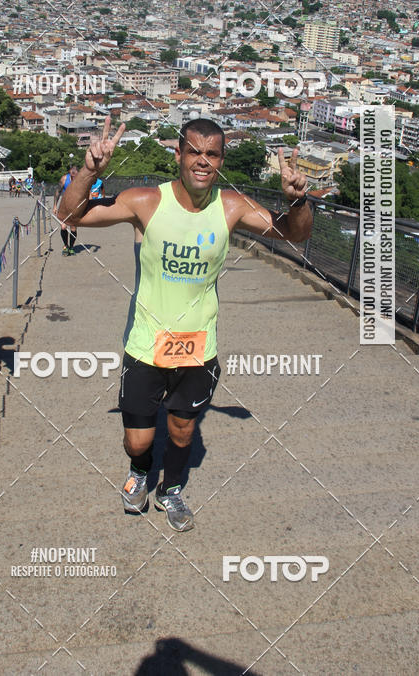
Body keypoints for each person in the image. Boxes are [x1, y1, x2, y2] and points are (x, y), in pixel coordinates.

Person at [58, 117, 312, 531]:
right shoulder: (145, 201)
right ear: (178, 154)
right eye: (194, 151)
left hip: (198, 347)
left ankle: (170, 489)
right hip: (145, 344)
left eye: (212, 154)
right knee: (137, 440)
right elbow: (67, 216)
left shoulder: (232, 207)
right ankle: (140, 470)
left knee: (181, 432)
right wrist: (89, 171)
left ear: (221, 160)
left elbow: (293, 236)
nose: (202, 161)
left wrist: (299, 201)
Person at [53, 166, 79, 256]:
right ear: (69, 171)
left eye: (75, 171)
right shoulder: (64, 179)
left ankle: (71, 247)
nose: (73, 172)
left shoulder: (80, 180)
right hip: (64, 206)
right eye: (72, 171)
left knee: (73, 228)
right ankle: (65, 246)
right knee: (63, 227)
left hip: (75, 207)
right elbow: (57, 192)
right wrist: (55, 206)